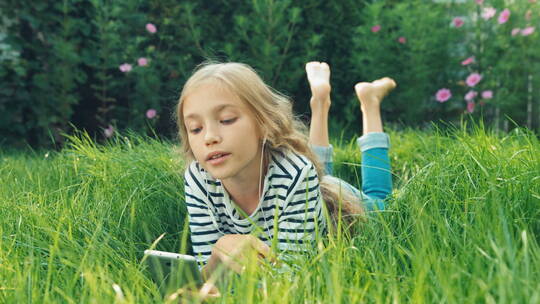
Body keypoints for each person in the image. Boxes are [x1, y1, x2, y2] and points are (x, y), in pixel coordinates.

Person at [175, 61, 395, 286]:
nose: (209, 137)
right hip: (303, 183)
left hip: (336, 197)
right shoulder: (198, 178)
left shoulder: (297, 174)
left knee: (381, 200)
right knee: (311, 168)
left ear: (264, 123)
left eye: (227, 120)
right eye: (195, 128)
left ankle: (370, 102)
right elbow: (206, 279)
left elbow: (289, 283)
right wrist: (217, 257)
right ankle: (320, 102)